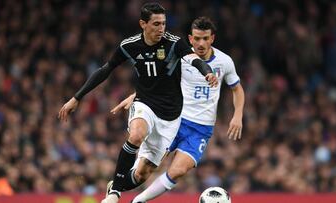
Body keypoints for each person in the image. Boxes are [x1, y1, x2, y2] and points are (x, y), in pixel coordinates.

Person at [58, 3, 218, 203]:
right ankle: (115, 193)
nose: (161, 29)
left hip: (170, 117)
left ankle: (115, 184)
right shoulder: (129, 46)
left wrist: (207, 72)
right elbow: (106, 69)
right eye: (156, 24)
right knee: (137, 134)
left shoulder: (174, 43)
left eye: (164, 24)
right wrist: (76, 98)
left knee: (141, 174)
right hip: (145, 104)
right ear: (143, 23)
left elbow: (194, 59)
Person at [111, 16, 245, 203]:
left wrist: (237, 116)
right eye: (197, 38)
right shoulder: (181, 57)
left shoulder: (225, 61)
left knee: (179, 170)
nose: (201, 43)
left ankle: (138, 201)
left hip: (200, 128)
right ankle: (114, 188)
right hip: (174, 119)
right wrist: (134, 96)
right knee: (142, 173)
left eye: (205, 38)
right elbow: (158, 83)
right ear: (190, 39)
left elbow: (237, 89)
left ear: (212, 38)